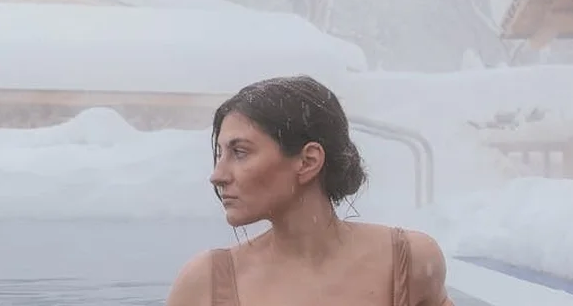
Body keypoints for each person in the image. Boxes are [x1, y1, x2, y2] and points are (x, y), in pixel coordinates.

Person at [167, 75, 453, 306]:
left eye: (240, 152)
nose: (217, 176)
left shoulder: (408, 261)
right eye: (220, 154)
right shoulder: (205, 285)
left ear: (308, 161)